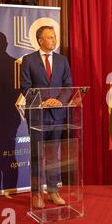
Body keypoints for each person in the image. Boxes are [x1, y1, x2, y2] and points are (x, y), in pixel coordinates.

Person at [20, 26, 72, 209]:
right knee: (37, 155)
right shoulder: (28, 61)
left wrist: (58, 101)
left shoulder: (62, 60)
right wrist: (43, 101)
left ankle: (53, 191)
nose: (54, 40)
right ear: (40, 40)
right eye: (50, 37)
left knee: (53, 156)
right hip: (37, 115)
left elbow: (68, 86)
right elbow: (25, 88)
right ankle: (36, 194)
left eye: (54, 36)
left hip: (57, 115)